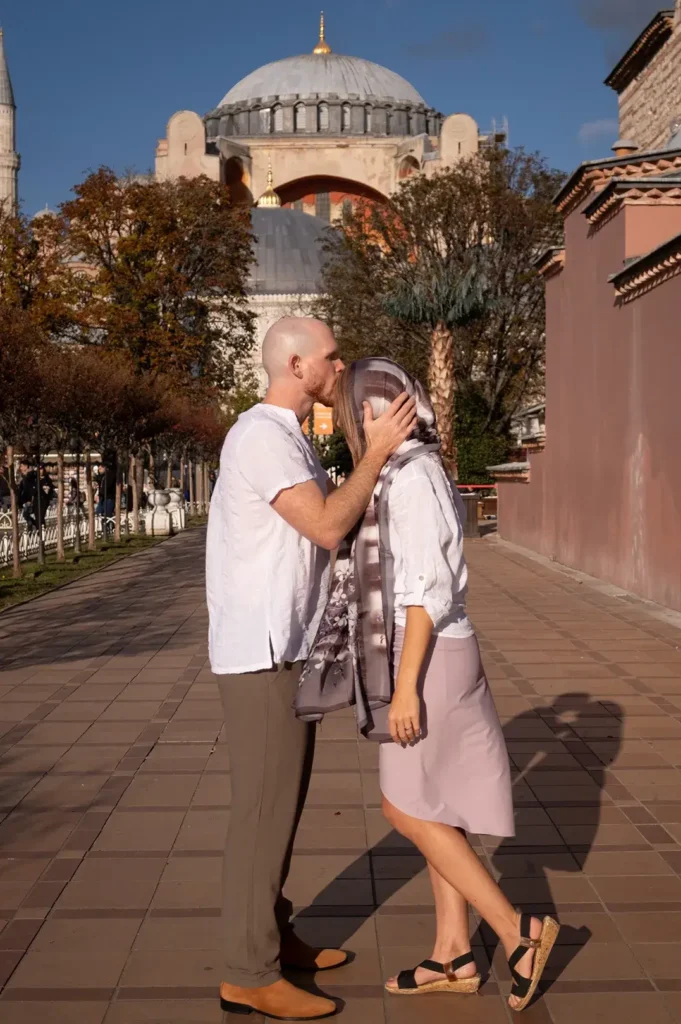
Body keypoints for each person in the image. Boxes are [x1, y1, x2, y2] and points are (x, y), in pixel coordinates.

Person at [316, 358, 559, 1013]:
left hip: (425, 658)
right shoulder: (403, 471)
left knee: (406, 810)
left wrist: (403, 690)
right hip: (430, 654)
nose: (353, 423)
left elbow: (424, 592)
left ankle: (518, 934)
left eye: (360, 411)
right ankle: (453, 952)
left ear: (390, 411)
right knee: (434, 806)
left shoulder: (413, 478)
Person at [205, 318, 417, 1022]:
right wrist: (379, 452)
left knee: (282, 806)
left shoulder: (287, 433)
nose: (339, 362)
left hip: (284, 647)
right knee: (262, 812)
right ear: (296, 365)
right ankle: (246, 970)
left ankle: (273, 934)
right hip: (260, 651)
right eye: (330, 356)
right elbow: (326, 525)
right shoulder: (261, 437)